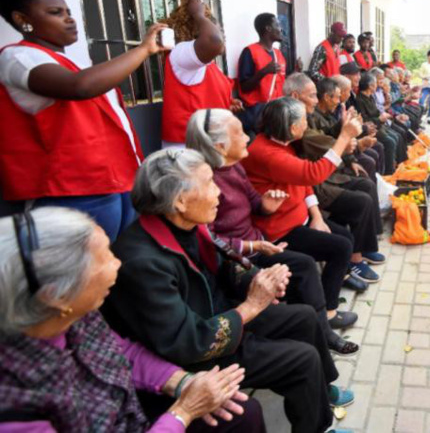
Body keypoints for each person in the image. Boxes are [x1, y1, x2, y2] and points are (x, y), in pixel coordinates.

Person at [103, 148, 354, 433]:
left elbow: (226, 266)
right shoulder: (142, 263)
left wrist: (259, 280)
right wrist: (250, 307)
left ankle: (322, 393)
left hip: (217, 317)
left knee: (304, 317)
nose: (218, 194)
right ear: (181, 201)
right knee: (302, 360)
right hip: (195, 354)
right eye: (209, 184)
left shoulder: (185, 225)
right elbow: (187, 342)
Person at [0, 207, 264, 432]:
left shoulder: (74, 315)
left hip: (129, 409)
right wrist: (182, 413)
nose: (117, 263)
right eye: (103, 258)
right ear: (55, 295)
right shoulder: (16, 406)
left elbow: (119, 350)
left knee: (242, 411)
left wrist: (183, 382)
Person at [185, 109, 360, 356]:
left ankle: (318, 328)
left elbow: (256, 200)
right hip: (240, 256)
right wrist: (253, 246)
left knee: (313, 262)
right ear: (220, 146)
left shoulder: (234, 166)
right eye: (240, 133)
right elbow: (209, 239)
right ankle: (319, 331)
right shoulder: (212, 179)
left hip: (260, 242)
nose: (247, 137)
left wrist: (265, 204)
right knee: (305, 266)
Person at [0, 0, 159, 241]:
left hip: (115, 182)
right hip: (74, 192)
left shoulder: (66, 62)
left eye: (68, 12)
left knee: (117, 267)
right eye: (55, 13)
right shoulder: (17, 57)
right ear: (21, 19)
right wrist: (143, 50)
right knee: (84, 276)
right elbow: (80, 87)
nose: (69, 19)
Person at [242, 96, 375, 299]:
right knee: (341, 246)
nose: (308, 122)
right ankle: (329, 309)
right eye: (304, 120)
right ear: (294, 128)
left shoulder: (282, 143)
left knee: (344, 237)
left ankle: (340, 278)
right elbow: (313, 173)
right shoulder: (268, 154)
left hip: (299, 217)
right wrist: (344, 137)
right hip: (281, 229)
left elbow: (303, 181)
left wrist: (317, 216)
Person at [284, 74, 385, 282]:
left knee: (364, 185)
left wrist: (344, 131)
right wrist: (346, 138)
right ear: (295, 96)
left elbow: (326, 136)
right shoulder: (292, 120)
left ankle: (361, 250)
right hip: (316, 181)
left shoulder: (304, 116)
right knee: (361, 199)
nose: (316, 99)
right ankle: (355, 261)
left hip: (322, 176)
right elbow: (318, 142)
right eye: (312, 95)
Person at [160, 0, 240, 148]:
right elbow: (213, 41)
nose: (223, 37)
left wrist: (227, 104)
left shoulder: (206, 64)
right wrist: (198, 14)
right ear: (199, 31)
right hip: (187, 148)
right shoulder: (179, 54)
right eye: (219, 31)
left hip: (207, 142)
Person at [236, 13, 287, 135]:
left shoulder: (278, 54)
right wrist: (264, 72)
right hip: (258, 114)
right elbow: (244, 87)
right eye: (278, 25)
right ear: (268, 28)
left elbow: (280, 82)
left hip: (276, 111)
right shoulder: (250, 52)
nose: (281, 29)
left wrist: (297, 71)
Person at [355, 72, 408, 174]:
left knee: (397, 135)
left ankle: (399, 164)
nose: (379, 85)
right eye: (375, 83)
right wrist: (379, 119)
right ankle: (389, 171)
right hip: (372, 128)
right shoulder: (360, 100)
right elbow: (365, 120)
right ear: (370, 86)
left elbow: (377, 111)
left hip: (380, 124)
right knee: (390, 141)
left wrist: (383, 117)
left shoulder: (370, 97)